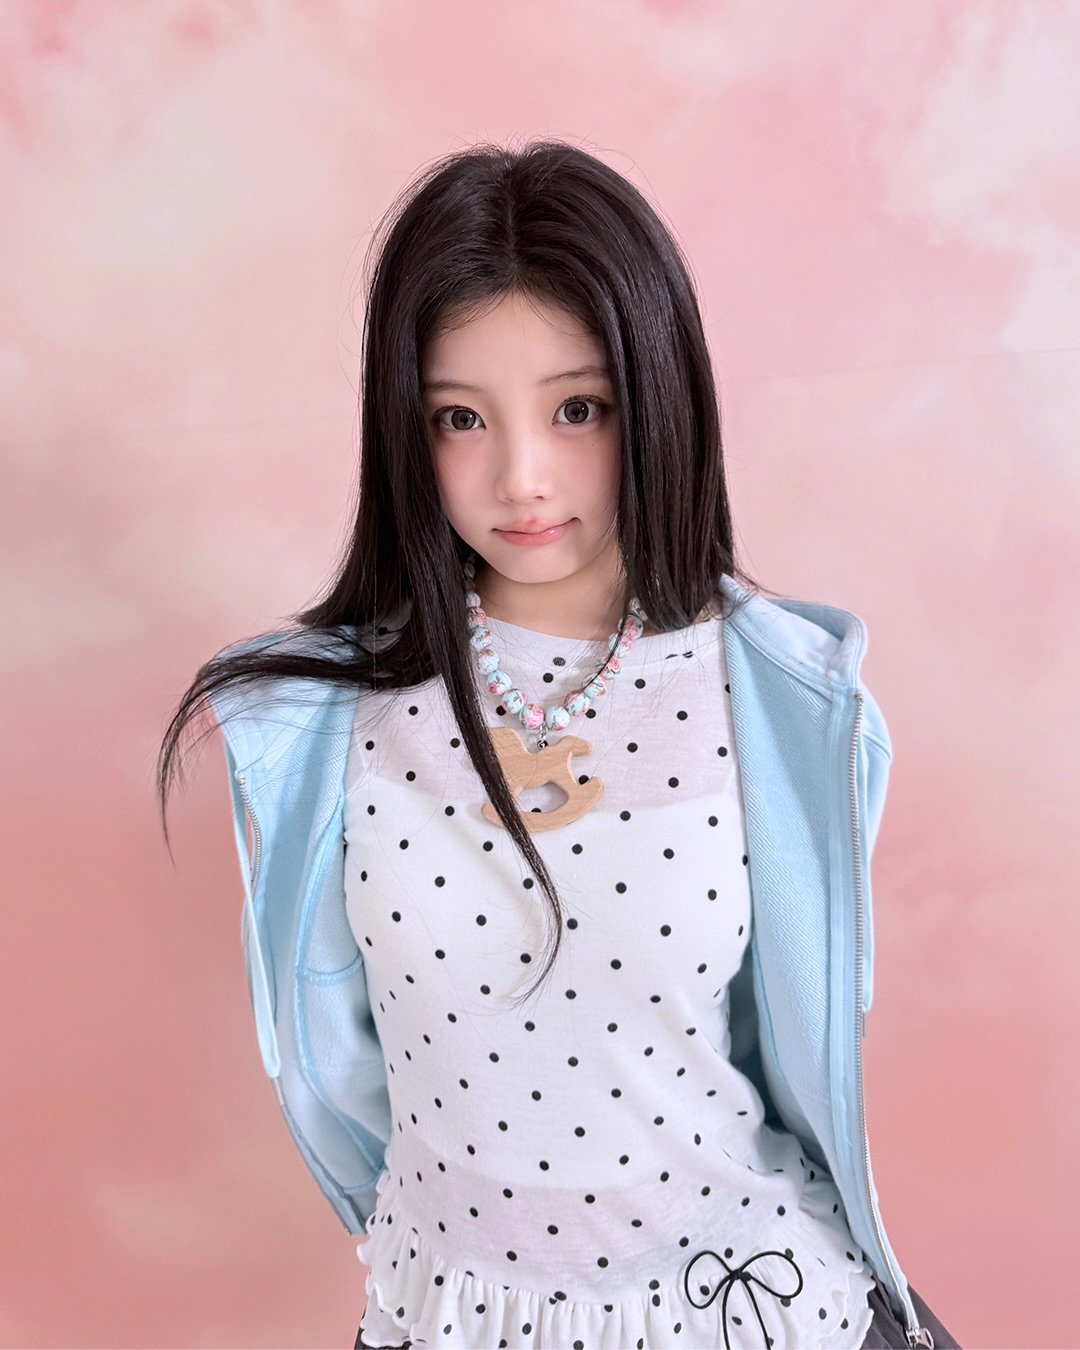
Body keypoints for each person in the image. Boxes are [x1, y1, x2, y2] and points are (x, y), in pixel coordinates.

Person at [159, 141, 958, 1350]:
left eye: (577, 409)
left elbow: (787, 1047)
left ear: (656, 397)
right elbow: (350, 1080)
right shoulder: (325, 721)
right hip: (454, 1311)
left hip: (742, 1306)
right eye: (460, 418)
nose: (520, 478)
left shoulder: (778, 698)